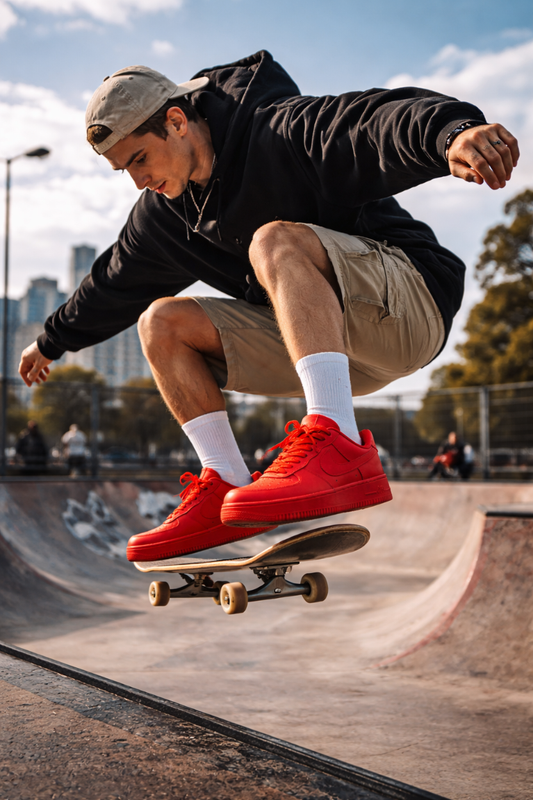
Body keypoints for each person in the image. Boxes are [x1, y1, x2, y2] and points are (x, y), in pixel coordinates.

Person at [17, 52, 519, 562]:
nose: (137, 180)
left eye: (140, 159)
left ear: (176, 121)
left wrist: (451, 133)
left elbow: (370, 123)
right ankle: (225, 485)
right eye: (124, 169)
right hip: (333, 348)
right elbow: (114, 279)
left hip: (409, 305)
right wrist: (51, 341)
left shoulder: (276, 132)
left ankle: (338, 441)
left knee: (273, 241)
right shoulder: (165, 215)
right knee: (161, 323)